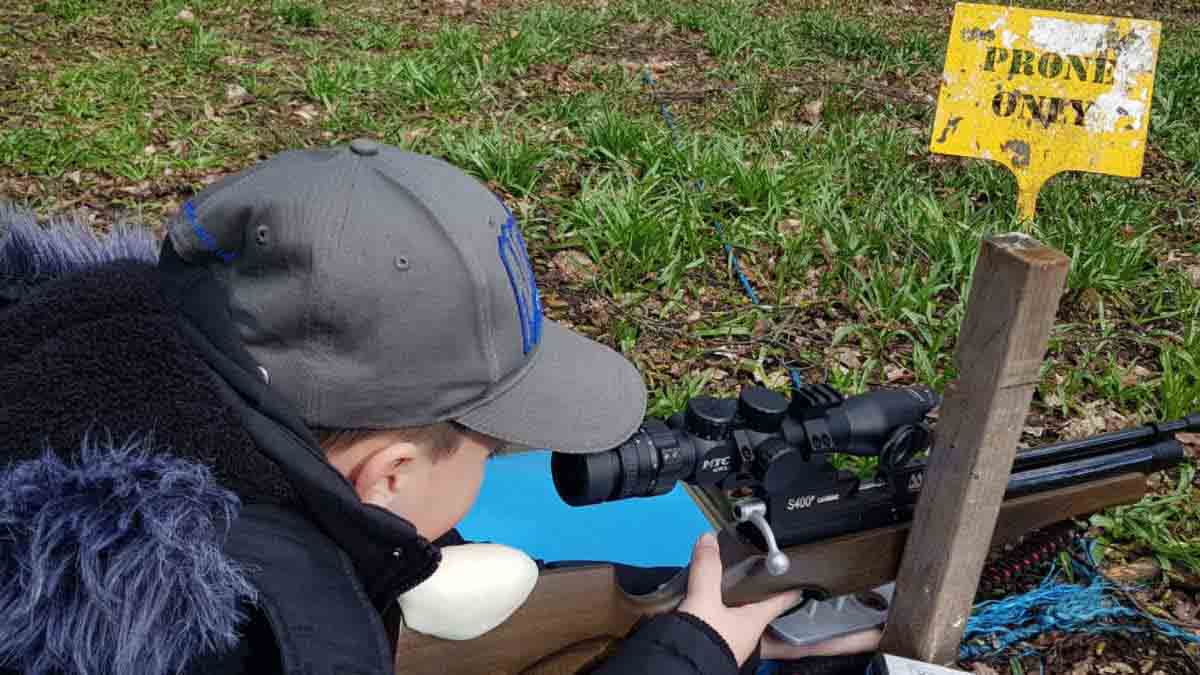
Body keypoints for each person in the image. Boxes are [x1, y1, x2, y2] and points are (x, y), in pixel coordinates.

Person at [0, 140, 877, 675]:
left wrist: (375, 553)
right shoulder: (269, 641)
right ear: (387, 474)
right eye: (489, 450)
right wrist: (685, 658)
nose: (496, 466)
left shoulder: (76, 346)